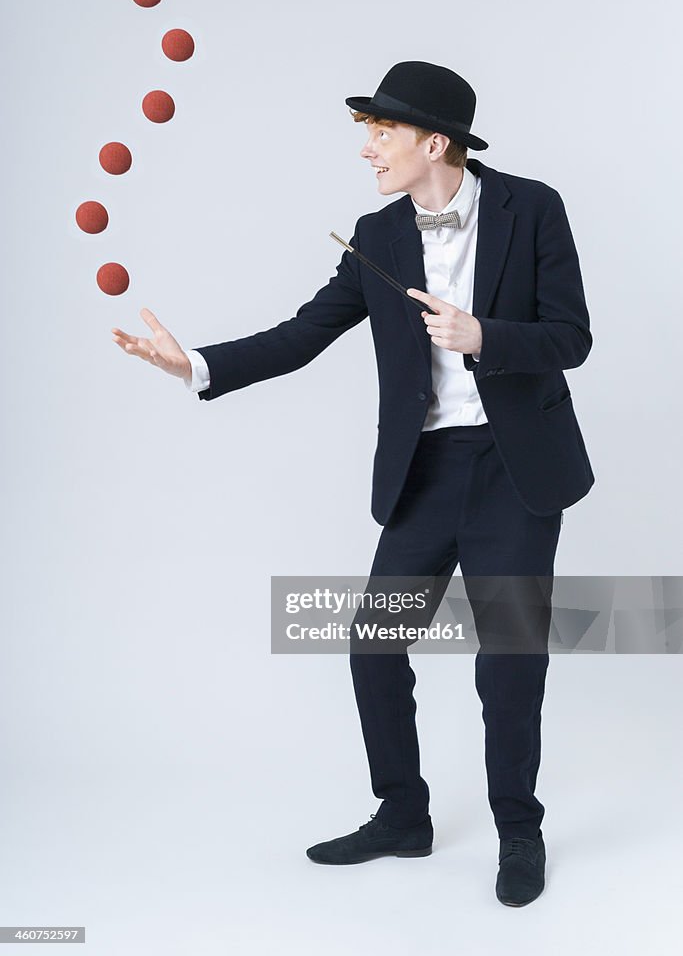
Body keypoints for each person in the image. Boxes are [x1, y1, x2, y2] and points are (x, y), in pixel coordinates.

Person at [111, 61, 594, 907]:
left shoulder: (533, 206)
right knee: (373, 644)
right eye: (365, 131)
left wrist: (484, 335)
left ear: (431, 141)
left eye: (381, 132)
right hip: (427, 470)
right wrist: (195, 364)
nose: (366, 149)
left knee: (508, 664)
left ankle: (519, 830)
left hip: (513, 472)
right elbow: (304, 334)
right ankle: (402, 815)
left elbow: (570, 337)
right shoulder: (377, 237)